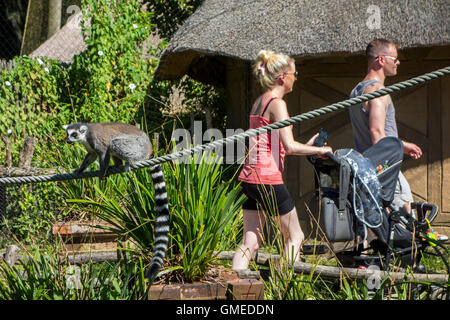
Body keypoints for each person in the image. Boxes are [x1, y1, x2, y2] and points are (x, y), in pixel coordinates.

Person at [231, 50, 333, 271]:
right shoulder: (277, 103)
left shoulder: (260, 102)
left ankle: (233, 284)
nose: (296, 77)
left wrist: (310, 146)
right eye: (295, 73)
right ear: (283, 77)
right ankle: (283, 288)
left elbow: (274, 146)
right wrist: (321, 149)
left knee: (251, 241)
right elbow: (290, 146)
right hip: (268, 179)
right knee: (295, 236)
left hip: (250, 178)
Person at [348, 39, 447, 241]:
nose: (399, 63)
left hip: (366, 167)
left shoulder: (356, 91)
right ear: (381, 60)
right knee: (405, 213)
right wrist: (399, 147)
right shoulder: (378, 92)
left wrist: (402, 145)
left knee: (382, 217)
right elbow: (377, 134)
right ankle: (412, 259)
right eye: (395, 58)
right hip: (385, 167)